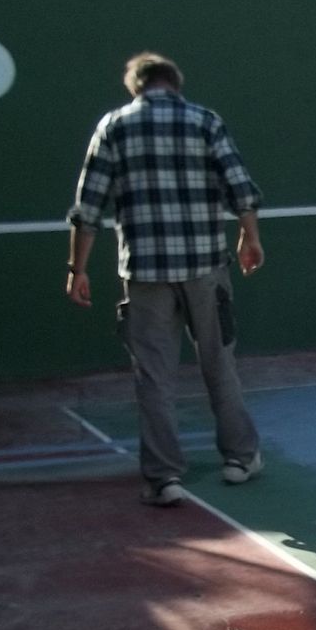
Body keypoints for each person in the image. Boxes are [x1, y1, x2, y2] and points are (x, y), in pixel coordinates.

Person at [66, 52, 266, 507]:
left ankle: (163, 478)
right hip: (205, 269)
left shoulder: (113, 126)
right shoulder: (205, 122)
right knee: (220, 363)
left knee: (153, 377)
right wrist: (249, 238)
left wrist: (77, 269)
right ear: (175, 83)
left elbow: (88, 207)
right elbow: (241, 188)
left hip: (144, 274)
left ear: (135, 86)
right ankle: (239, 459)